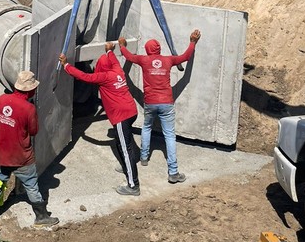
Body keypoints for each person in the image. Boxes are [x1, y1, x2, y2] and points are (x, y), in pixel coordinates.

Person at [118, 29, 201, 183]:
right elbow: (185, 57)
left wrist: (122, 46)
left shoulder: (143, 60)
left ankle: (144, 157)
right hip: (167, 103)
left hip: (150, 102)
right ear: (159, 49)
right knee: (169, 135)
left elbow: (128, 56)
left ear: (147, 50)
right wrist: (192, 42)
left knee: (147, 127)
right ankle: (173, 172)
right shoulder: (168, 60)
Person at [58, 43, 140, 196]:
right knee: (122, 141)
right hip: (131, 111)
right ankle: (127, 165)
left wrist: (66, 65)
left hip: (121, 116)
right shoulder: (117, 70)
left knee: (125, 148)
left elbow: (84, 76)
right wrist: (109, 50)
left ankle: (133, 185)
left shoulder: (103, 77)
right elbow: (113, 59)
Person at [0, 70, 59, 226]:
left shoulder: (2, 100)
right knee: (31, 185)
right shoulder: (28, 109)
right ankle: (41, 217)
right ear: (30, 90)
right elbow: (33, 131)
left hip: (3, 154)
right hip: (22, 157)